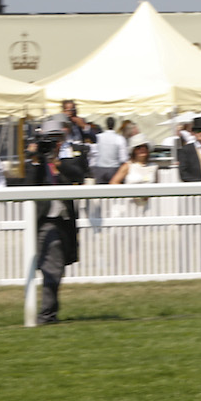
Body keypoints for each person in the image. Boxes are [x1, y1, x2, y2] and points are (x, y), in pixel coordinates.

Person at [24, 119, 87, 324]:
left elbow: (79, 177)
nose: (54, 144)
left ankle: (49, 313)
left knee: (57, 268)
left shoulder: (68, 160)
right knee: (51, 267)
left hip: (64, 221)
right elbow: (30, 184)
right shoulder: (37, 163)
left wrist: (57, 166)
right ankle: (46, 315)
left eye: (57, 139)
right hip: (46, 222)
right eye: (50, 140)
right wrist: (36, 158)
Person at [92, 117, 128, 184]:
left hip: (99, 168)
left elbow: (94, 154)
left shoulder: (98, 137)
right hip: (114, 169)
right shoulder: (119, 138)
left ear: (106, 124)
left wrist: (93, 168)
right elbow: (123, 158)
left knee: (100, 192)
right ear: (114, 125)